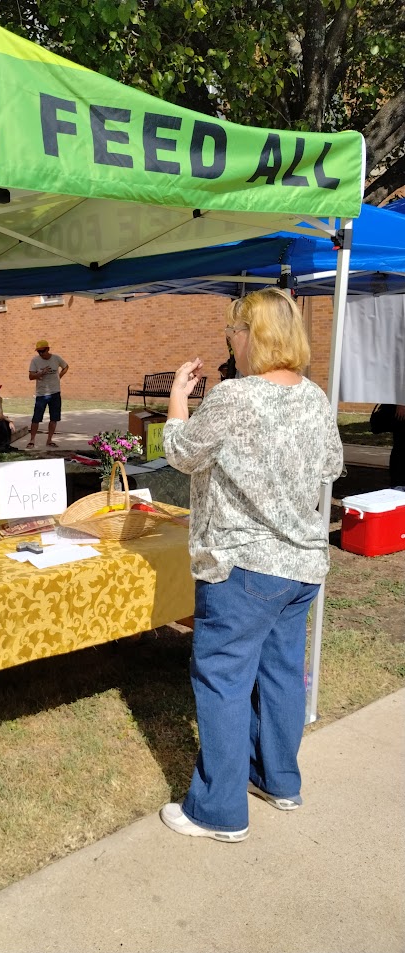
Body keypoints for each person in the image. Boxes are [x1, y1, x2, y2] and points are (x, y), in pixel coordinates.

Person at [159, 288, 343, 843]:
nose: (230, 342)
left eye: (232, 333)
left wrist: (176, 399)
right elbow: (331, 463)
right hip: (301, 566)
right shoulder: (314, 397)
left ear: (254, 335)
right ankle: (278, 779)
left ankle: (217, 810)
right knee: (283, 674)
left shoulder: (235, 398)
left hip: (243, 567)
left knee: (223, 681)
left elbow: (182, 453)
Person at [26, 339, 69, 449]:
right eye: (38, 352)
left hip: (55, 392)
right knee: (36, 418)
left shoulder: (56, 358)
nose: (40, 354)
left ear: (48, 349)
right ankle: (32, 440)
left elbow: (66, 366)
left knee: (54, 418)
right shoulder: (35, 361)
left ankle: (49, 440)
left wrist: (59, 377)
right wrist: (40, 373)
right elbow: (31, 376)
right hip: (41, 394)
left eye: (42, 351)